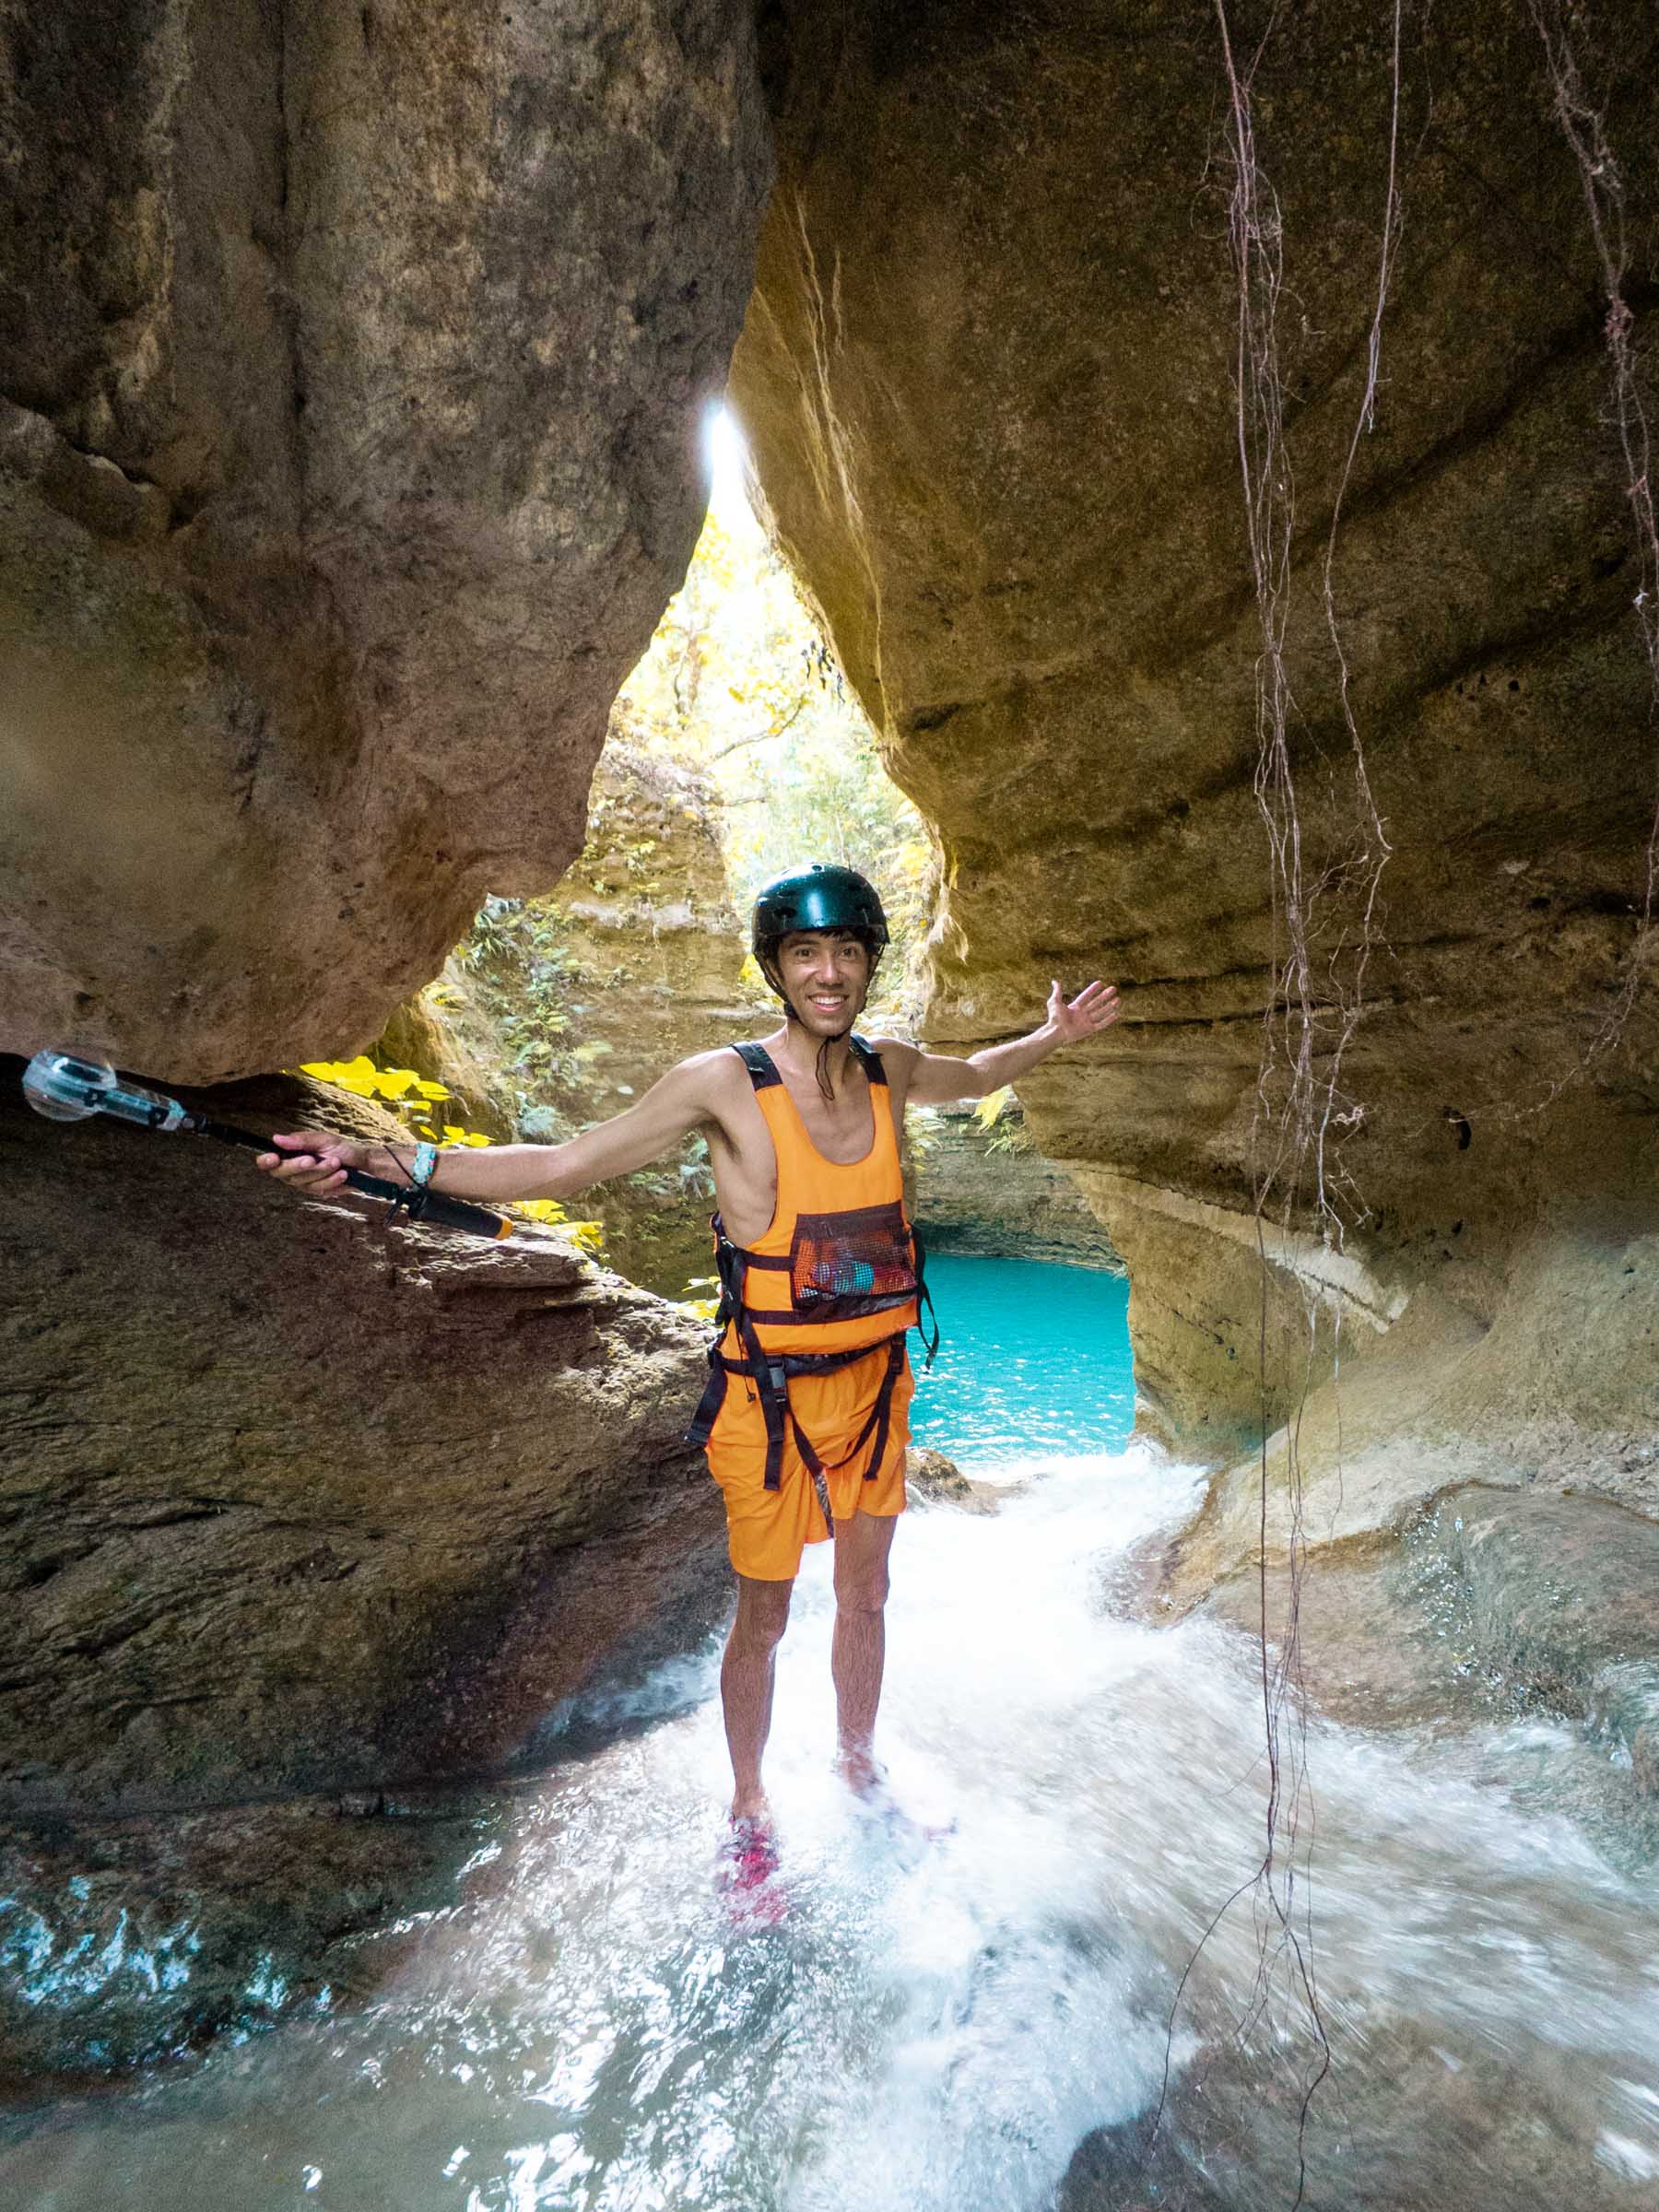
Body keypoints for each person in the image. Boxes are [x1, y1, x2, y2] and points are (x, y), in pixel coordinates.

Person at [258, 863, 1120, 1864]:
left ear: (869, 962)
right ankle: (750, 1804)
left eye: (846, 951)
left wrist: (1053, 1038)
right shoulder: (725, 1082)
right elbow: (566, 1162)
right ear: (778, 969)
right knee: (763, 1610)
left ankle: (856, 1763)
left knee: (867, 1593)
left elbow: (971, 1077)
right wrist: (390, 1164)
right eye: (806, 953)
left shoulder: (889, 1066)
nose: (828, 972)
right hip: (768, 1401)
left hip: (878, 1391)